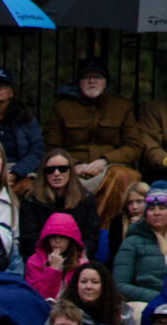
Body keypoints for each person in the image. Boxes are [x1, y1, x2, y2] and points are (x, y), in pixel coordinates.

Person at [42, 57, 143, 228]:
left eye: (97, 77)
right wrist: (73, 165)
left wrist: (105, 161)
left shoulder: (122, 107)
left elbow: (135, 146)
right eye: (86, 77)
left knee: (125, 176)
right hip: (72, 167)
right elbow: (51, 145)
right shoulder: (62, 107)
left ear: (106, 82)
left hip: (110, 168)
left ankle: (103, 230)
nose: (92, 81)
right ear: (78, 83)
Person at [19, 147, 100, 257]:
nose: (56, 173)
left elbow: (91, 238)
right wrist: (50, 258)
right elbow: (29, 240)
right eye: (50, 170)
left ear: (71, 171)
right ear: (44, 173)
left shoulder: (85, 198)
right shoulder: (30, 199)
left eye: (63, 169)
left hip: (76, 259)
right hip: (41, 260)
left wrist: (73, 258)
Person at [0, 68, 43, 191]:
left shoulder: (26, 119)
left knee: (29, 189)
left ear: (11, 92)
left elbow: (37, 151)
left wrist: (15, 172)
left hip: (21, 171)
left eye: (3, 85)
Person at [113, 187, 167, 308]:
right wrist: (159, 298)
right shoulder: (132, 243)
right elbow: (119, 285)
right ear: (145, 214)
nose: (156, 212)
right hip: (144, 303)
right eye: (151, 209)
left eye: (162, 208)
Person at [25, 211, 86, 301]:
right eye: (53, 236)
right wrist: (53, 270)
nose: (57, 241)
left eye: (63, 237)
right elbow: (37, 297)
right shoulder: (34, 262)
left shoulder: (81, 263)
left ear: (71, 240)